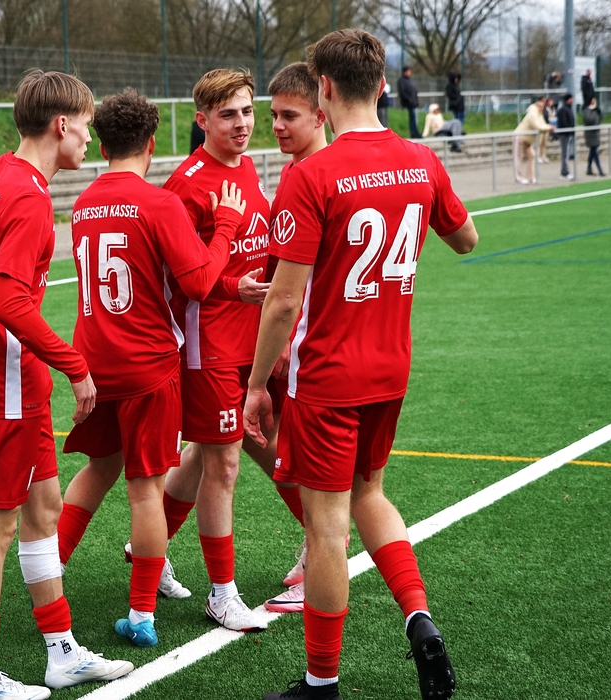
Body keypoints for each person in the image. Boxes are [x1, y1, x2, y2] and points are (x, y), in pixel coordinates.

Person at [244, 28, 478, 700]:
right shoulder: (420, 161)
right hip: (390, 367)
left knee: (327, 526)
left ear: (322, 88)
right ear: (381, 85)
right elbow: (466, 239)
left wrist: (256, 384)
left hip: (328, 374)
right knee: (369, 493)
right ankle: (419, 618)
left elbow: (283, 301)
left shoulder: (311, 175)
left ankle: (321, 682)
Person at [0, 69, 133, 700]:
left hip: (13, 383)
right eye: (86, 125)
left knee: (43, 512)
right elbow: (10, 304)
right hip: (3, 391)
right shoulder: (28, 198)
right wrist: (76, 365)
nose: (90, 137)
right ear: (60, 125)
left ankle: (61, 652)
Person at [56, 88, 247, 648]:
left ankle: (49, 567)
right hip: (147, 364)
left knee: (99, 467)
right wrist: (227, 225)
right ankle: (141, 614)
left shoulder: (83, 204)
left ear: (103, 145)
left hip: (95, 362)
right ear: (152, 143)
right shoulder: (159, 203)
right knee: (145, 491)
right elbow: (198, 283)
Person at [140, 67, 273, 633]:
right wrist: (232, 287)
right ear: (202, 120)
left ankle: (149, 547)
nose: (241, 124)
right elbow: (179, 275)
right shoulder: (187, 184)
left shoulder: (247, 166)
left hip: (249, 337)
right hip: (207, 342)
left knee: (205, 454)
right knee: (224, 461)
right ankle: (223, 594)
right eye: (227, 115)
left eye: (247, 111)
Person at [260, 61, 333, 614]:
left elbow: (299, 283)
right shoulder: (293, 172)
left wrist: (284, 342)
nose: (277, 125)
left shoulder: (317, 175)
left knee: (295, 456)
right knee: (229, 443)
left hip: (309, 344)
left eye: (290, 115)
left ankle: (321, 556)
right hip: (288, 336)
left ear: (320, 114)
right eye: (274, 115)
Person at [514, 96, 553, 184]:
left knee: (532, 156)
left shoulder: (539, 114)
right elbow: (537, 126)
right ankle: (518, 178)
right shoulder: (532, 113)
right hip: (520, 137)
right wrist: (549, 128)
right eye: (542, 104)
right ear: (537, 103)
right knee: (518, 157)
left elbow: (543, 124)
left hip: (528, 140)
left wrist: (548, 127)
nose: (543, 107)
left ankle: (530, 177)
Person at [582, 96, 605, 176]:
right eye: (593, 100)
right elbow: (589, 120)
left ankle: (589, 168)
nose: (594, 101)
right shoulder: (586, 110)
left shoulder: (596, 109)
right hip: (590, 133)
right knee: (594, 151)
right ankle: (600, 169)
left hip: (595, 133)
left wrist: (597, 111)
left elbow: (600, 119)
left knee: (592, 151)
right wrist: (594, 111)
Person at [397, 66, 421, 138]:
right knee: (413, 118)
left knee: (415, 118)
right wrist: (408, 99)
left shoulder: (409, 80)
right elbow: (402, 92)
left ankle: (416, 132)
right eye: (408, 71)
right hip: (410, 103)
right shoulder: (402, 81)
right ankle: (414, 133)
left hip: (414, 102)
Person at [556, 93, 575, 180]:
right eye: (571, 99)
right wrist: (569, 130)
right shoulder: (563, 109)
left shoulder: (568, 108)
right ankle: (564, 172)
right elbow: (564, 122)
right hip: (564, 135)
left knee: (566, 154)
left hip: (568, 134)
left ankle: (565, 171)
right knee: (565, 154)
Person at [537, 97, 555, 164]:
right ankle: (538, 156)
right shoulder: (539, 110)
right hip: (540, 128)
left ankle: (543, 156)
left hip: (546, 128)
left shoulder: (547, 109)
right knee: (539, 143)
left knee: (544, 143)